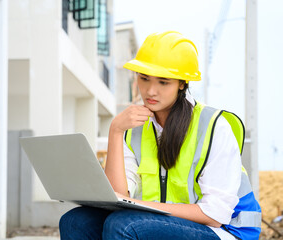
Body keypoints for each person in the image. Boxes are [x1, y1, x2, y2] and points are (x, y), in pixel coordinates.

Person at [59, 31, 261, 240]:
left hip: (225, 231)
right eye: (144, 79)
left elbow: (214, 215)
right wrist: (116, 131)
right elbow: (119, 196)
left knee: (123, 225)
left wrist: (140, 207)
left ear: (182, 83)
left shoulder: (214, 126)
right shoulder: (132, 127)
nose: (150, 91)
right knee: (74, 221)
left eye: (163, 82)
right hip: (164, 222)